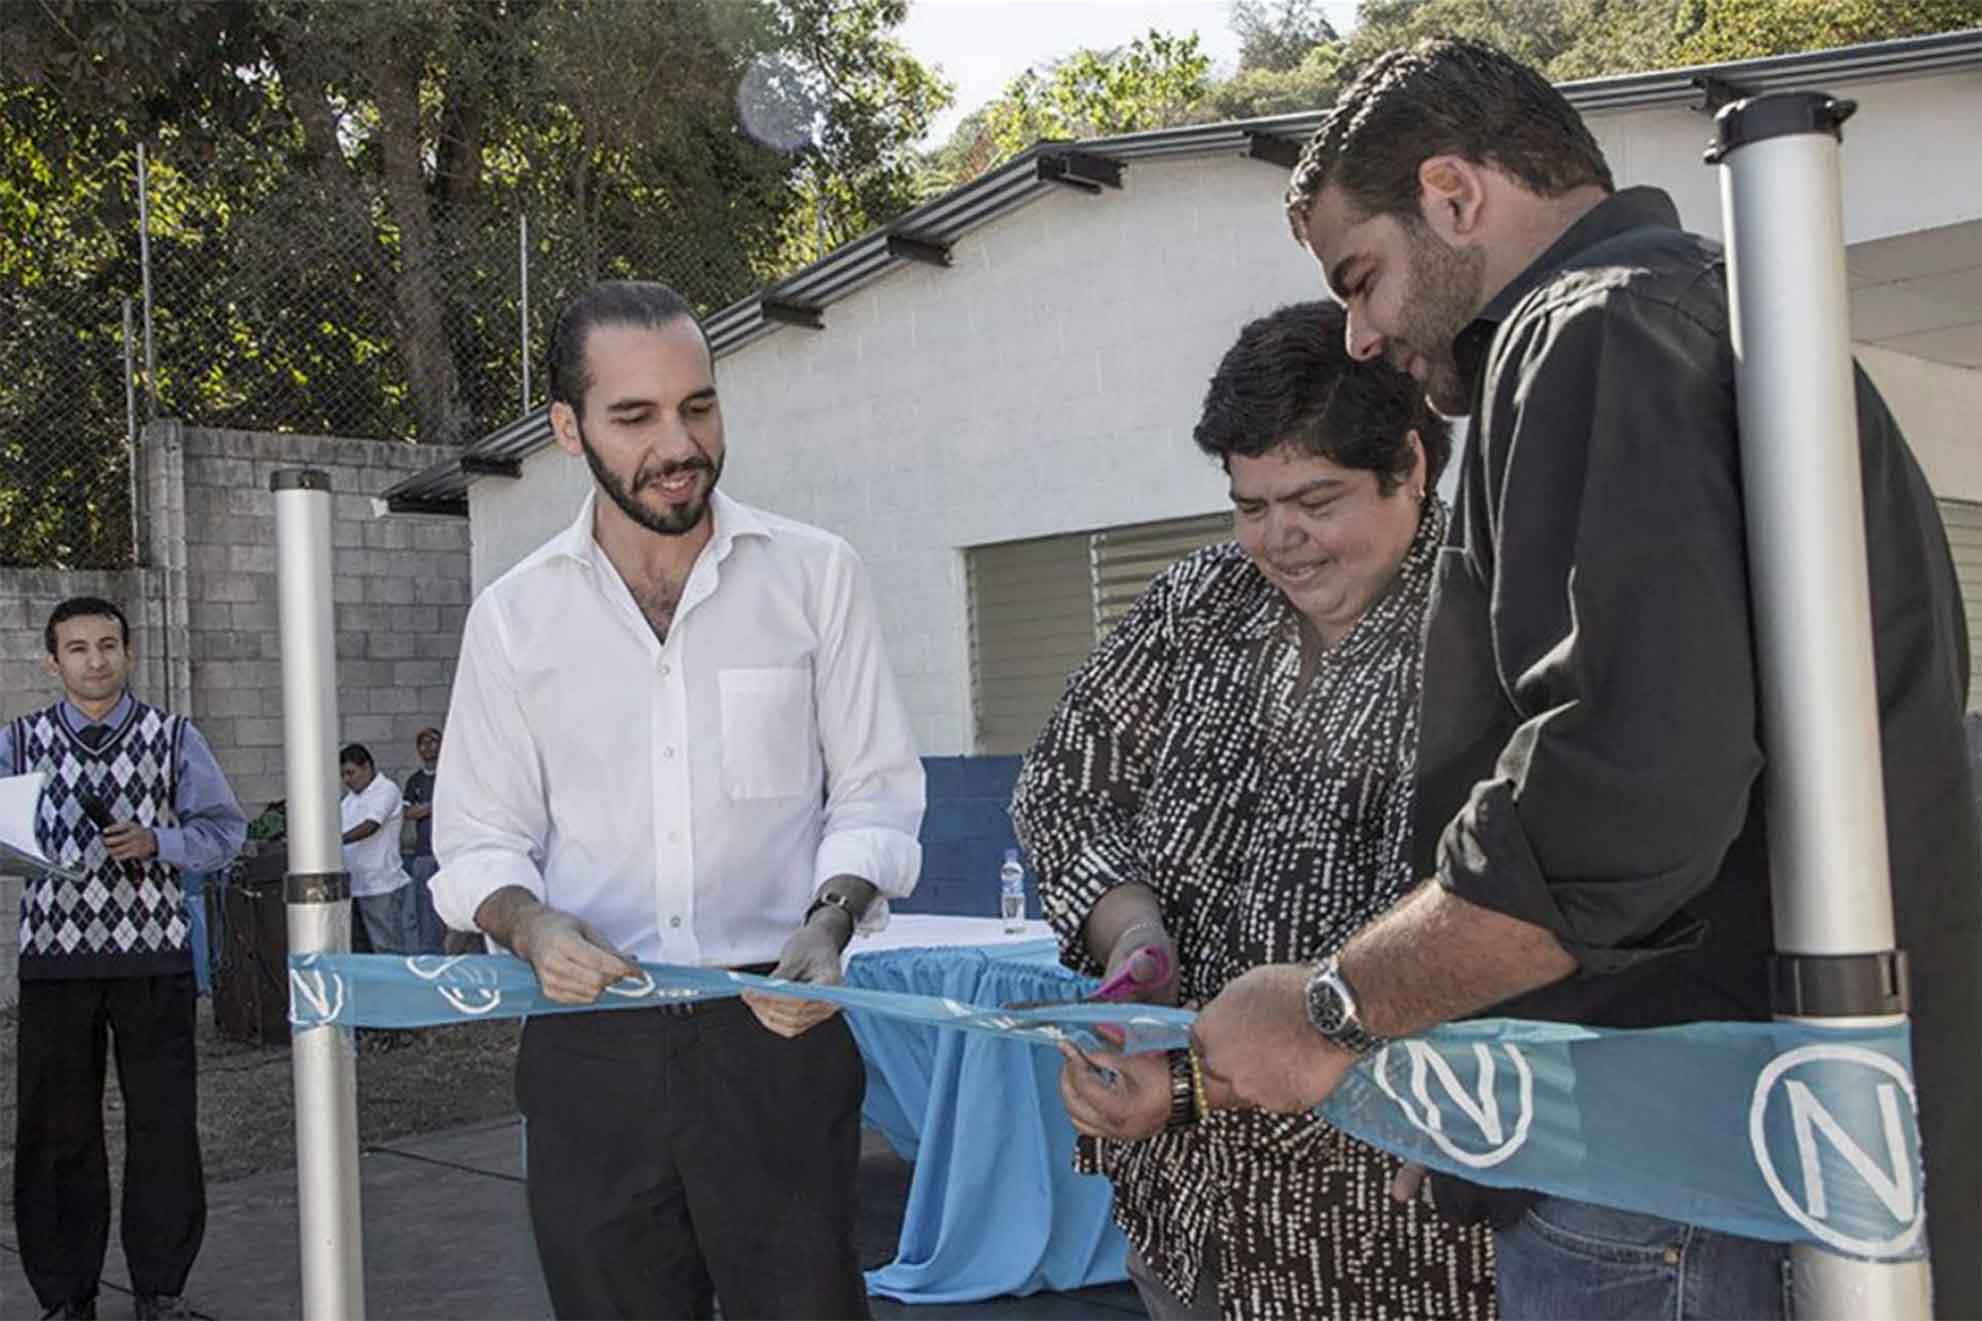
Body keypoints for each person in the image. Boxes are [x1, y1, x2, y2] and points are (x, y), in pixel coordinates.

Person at [1189, 37, 1982, 1321]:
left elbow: (1613, 812)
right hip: (1742, 1148)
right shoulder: (1702, 318)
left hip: (1675, 1180)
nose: (1363, 331)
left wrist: (1335, 1013)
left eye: (1361, 276)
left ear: (1452, 194)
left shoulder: (1591, 332)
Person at [430, 279, 925, 1320]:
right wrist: (528, 921)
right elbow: (477, 841)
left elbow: (876, 797)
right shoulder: (515, 618)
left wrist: (828, 920)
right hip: (588, 1045)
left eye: (697, 406)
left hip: (779, 1031)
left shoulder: (815, 576)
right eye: (635, 415)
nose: (679, 442)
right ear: (567, 428)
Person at [1012, 301, 1493, 1320]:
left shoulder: (1494, 625)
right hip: (1194, 1219)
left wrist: (1195, 1086)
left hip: (1395, 1241)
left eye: (1313, 498)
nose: (1280, 540)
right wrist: (1129, 926)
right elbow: (1063, 782)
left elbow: (1486, 937)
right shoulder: (1200, 604)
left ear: (1407, 464)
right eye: (1249, 503)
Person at [7, 596, 247, 1321]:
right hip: (55, 961)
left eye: (108, 643)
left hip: (154, 957)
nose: (95, 659)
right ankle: (65, 1295)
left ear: (130, 651)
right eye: (76, 647)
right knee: (56, 1131)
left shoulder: (173, 736)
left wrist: (159, 842)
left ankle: (160, 1289)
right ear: (52, 660)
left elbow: (224, 831)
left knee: (164, 1127)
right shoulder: (17, 742)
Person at [338, 743, 412, 956]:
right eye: (343, 775)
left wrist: (337, 840)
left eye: (351, 773)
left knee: (387, 948)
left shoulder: (386, 790)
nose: (347, 780)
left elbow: (371, 826)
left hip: (381, 885)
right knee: (362, 950)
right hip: (355, 885)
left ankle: (397, 989)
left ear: (368, 767)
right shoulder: (350, 800)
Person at [400, 726, 443, 953]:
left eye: (434, 741)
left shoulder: (451, 775)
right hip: (423, 853)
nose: (429, 747)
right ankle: (432, 957)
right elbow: (407, 813)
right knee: (425, 909)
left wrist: (425, 807)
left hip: (449, 852)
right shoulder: (414, 781)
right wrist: (435, 805)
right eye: (423, 743)